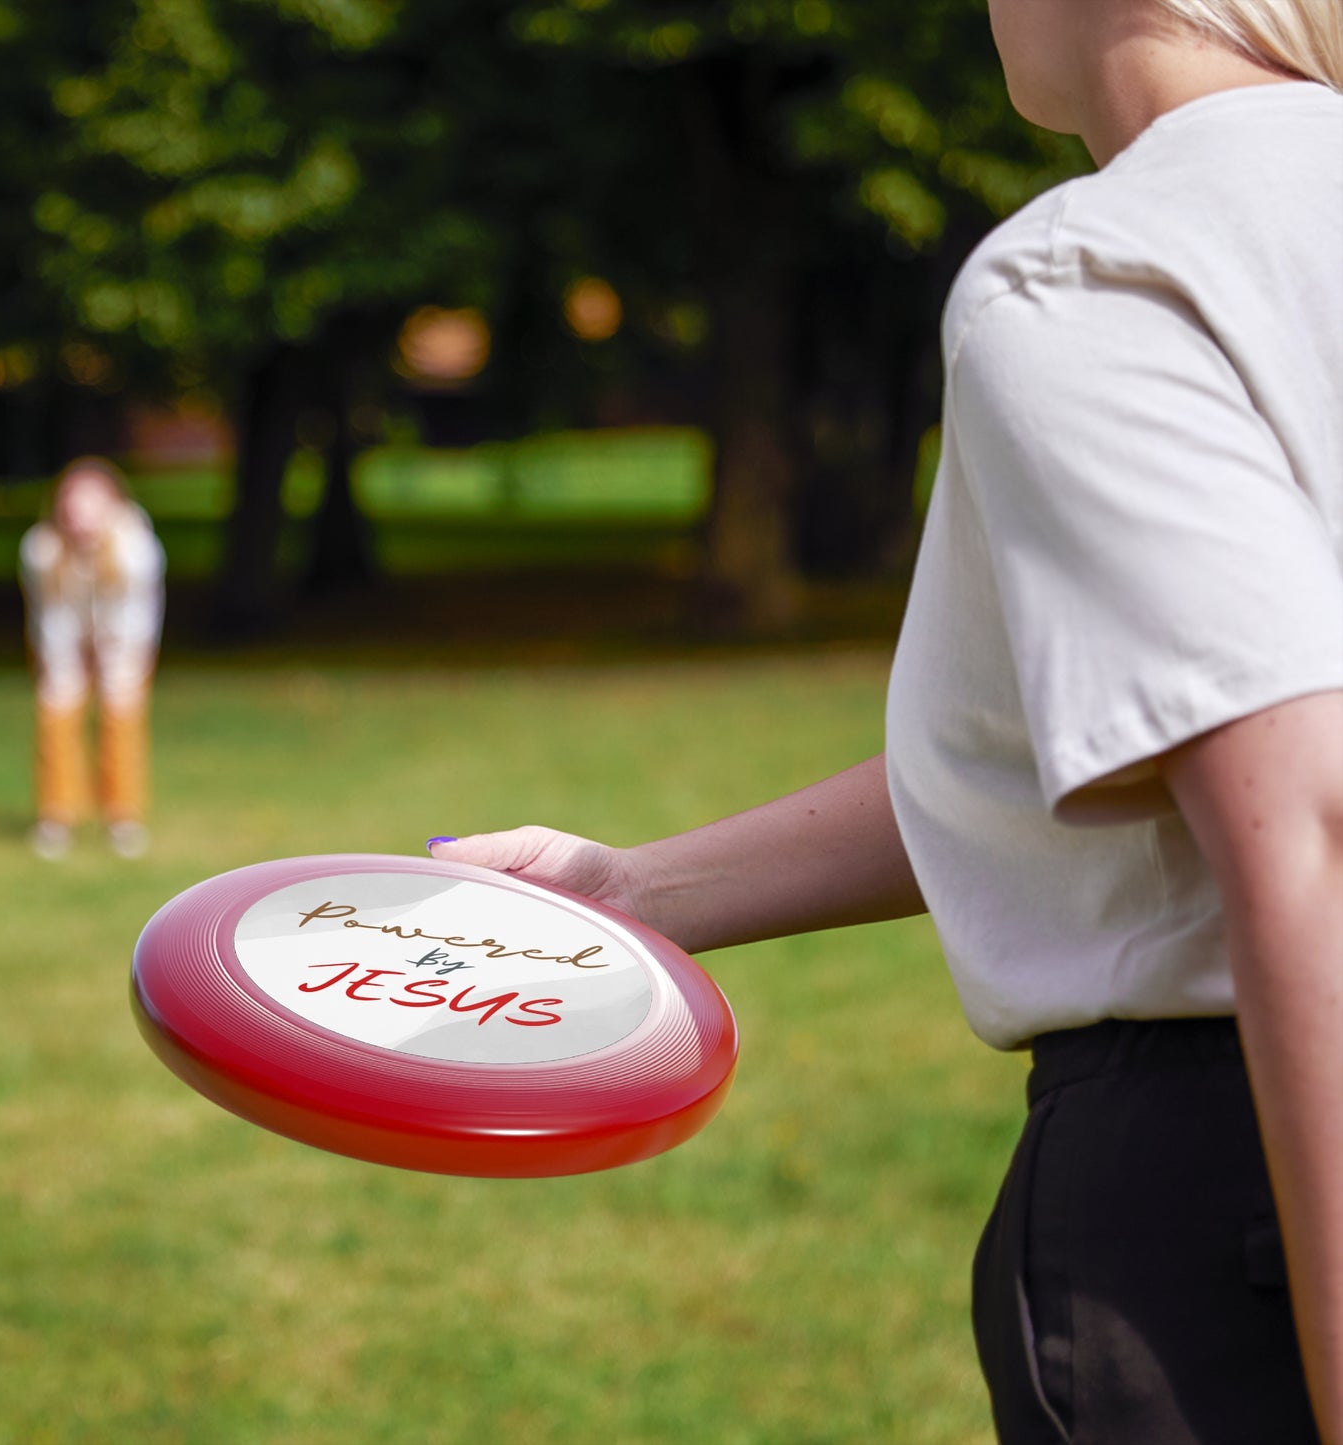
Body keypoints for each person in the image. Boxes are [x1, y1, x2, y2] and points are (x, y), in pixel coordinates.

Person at [426, 2, 1343, 1440]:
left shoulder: (1102, 269)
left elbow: (1307, 821)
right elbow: (1113, 741)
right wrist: (635, 889)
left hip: (1240, 1191)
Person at [19, 457, 166, 860]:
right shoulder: (41, 549)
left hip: (124, 641)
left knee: (121, 717)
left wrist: (113, 660)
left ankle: (123, 817)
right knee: (56, 713)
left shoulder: (136, 549)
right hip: (63, 640)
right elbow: (50, 616)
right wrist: (66, 665)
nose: (80, 517)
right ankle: (56, 816)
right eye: (72, 506)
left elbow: (136, 616)